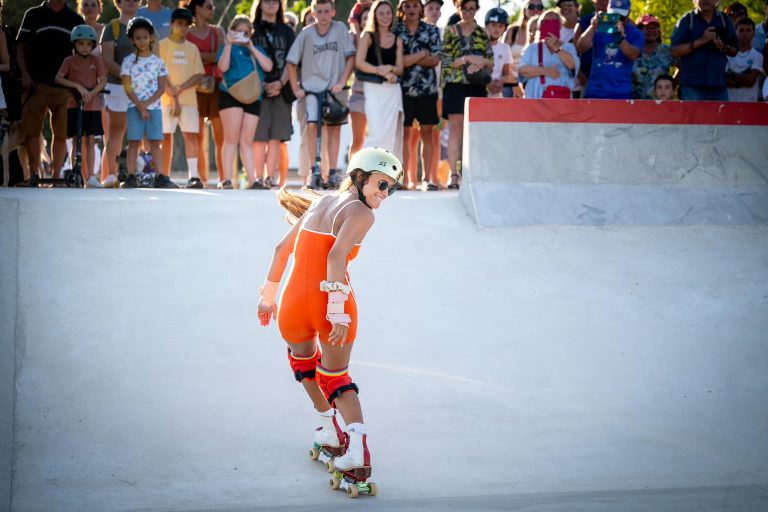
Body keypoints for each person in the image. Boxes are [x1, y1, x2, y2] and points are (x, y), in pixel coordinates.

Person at [256, 146, 403, 479]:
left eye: (390, 188)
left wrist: (267, 298)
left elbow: (281, 250)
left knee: (305, 366)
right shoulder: (362, 214)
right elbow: (336, 257)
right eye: (381, 184)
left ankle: (329, 429)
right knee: (337, 379)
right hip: (329, 305)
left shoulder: (320, 202)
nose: (385, 194)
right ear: (360, 176)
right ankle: (357, 454)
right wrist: (337, 313)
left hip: (292, 305)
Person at [287, 0, 355, 188]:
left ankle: (332, 172)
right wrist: (296, 88)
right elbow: (291, 62)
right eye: (319, 11)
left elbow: (351, 57)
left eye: (327, 11)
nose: (323, 15)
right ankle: (314, 171)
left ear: (333, 12)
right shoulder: (306, 33)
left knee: (334, 128)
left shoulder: (340, 29)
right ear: (313, 12)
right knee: (312, 127)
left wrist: (342, 81)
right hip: (312, 90)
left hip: (335, 89)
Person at [16, 0, 85, 181]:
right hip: (36, 84)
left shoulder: (75, 19)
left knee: (61, 133)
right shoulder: (33, 15)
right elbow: (20, 47)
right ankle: (34, 174)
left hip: (64, 87)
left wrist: (75, 85)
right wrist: (24, 74)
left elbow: (81, 54)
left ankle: (56, 177)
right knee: (32, 130)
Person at [440, 0, 493, 189]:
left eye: (472, 9)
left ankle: (470, 174)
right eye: (465, 8)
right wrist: (466, 58)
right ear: (458, 8)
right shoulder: (450, 31)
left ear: (477, 10)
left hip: (476, 86)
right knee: (455, 129)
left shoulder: (482, 33)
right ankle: (453, 175)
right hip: (455, 85)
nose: (468, 12)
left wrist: (480, 62)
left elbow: (490, 62)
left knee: (472, 131)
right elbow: (446, 62)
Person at [216, 15, 273, 189]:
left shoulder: (255, 49)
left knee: (247, 140)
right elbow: (222, 67)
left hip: (253, 97)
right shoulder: (228, 48)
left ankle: (253, 180)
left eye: (246, 33)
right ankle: (226, 179)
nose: (242, 35)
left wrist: (251, 47)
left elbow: (268, 67)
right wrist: (228, 43)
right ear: (231, 31)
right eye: (238, 32)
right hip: (230, 94)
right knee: (231, 138)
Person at [120, 17, 174, 188]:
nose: (142, 41)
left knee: (154, 142)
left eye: (145, 37)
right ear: (132, 40)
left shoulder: (158, 62)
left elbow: (161, 88)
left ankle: (160, 176)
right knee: (134, 141)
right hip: (134, 107)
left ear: (151, 37)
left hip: (154, 109)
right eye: (138, 38)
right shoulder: (128, 61)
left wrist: (148, 105)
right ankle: (130, 176)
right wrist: (140, 106)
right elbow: (128, 88)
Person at [394, 0, 441, 190]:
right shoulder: (396, 30)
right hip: (403, 89)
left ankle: (428, 179)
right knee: (404, 134)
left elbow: (436, 59)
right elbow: (399, 62)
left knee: (427, 133)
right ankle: (404, 180)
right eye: (407, 5)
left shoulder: (431, 30)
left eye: (415, 5)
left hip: (427, 89)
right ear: (402, 8)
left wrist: (409, 59)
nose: (411, 9)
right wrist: (422, 55)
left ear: (420, 8)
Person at [54, 25, 106, 188]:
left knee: (90, 141)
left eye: (88, 44)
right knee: (77, 141)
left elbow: (103, 80)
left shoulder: (96, 60)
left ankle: (90, 176)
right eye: (81, 44)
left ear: (92, 45)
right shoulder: (69, 61)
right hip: (74, 104)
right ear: (75, 45)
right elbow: (59, 78)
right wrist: (77, 86)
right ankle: (77, 174)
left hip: (92, 105)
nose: (85, 47)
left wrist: (92, 93)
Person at [251, 0, 296, 189]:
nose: (271, 4)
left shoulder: (286, 31)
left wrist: (280, 82)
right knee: (258, 136)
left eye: (275, 1)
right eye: (266, 1)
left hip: (281, 88)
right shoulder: (252, 29)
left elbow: (291, 60)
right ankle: (258, 178)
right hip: (256, 89)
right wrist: (262, 83)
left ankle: (271, 177)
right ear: (259, 4)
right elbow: (246, 57)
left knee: (276, 136)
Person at [159, 7, 204, 188]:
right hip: (165, 98)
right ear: (172, 24)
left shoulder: (192, 48)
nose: (183, 28)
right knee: (165, 136)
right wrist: (172, 92)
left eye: (186, 25)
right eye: (179, 23)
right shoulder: (161, 45)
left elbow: (198, 75)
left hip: (189, 100)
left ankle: (194, 176)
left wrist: (179, 88)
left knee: (190, 136)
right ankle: (163, 175)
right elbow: (160, 71)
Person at [355, 0, 404, 162]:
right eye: (381, 13)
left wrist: (389, 68)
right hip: (373, 89)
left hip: (392, 91)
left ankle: (382, 172)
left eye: (388, 13)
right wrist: (379, 71)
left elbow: (400, 68)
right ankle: (361, 170)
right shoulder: (367, 36)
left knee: (390, 134)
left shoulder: (397, 39)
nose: (385, 17)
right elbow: (359, 63)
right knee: (376, 133)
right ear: (375, 15)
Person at [186, 0, 225, 188]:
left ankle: (223, 178)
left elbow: (220, 55)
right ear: (198, 9)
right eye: (208, 6)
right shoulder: (186, 32)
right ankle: (201, 179)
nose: (212, 10)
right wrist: (208, 56)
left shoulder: (218, 31)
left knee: (221, 136)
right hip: (194, 87)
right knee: (198, 135)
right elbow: (187, 57)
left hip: (216, 84)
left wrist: (198, 56)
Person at [101, 0, 140, 187]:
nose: (132, 2)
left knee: (137, 132)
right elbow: (107, 60)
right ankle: (112, 174)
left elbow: (154, 55)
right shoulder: (112, 27)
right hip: (117, 86)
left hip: (142, 88)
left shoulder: (144, 26)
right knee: (116, 130)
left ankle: (134, 174)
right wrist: (127, 77)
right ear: (119, 3)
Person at [670, 0, 737, 101]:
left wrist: (723, 47)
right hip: (692, 87)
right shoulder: (687, 20)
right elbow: (674, 52)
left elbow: (735, 51)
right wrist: (701, 41)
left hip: (719, 86)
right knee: (693, 117)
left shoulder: (724, 20)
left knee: (719, 117)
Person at [576, 0, 644, 99]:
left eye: (621, 16)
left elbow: (633, 55)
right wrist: (592, 27)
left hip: (621, 93)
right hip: (594, 92)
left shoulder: (635, 33)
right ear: (607, 11)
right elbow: (581, 47)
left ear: (628, 13)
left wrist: (619, 37)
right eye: (614, 16)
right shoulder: (600, 28)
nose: (618, 20)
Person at [519, 9, 578, 98]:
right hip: (535, 98)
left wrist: (557, 48)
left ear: (560, 26)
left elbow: (573, 66)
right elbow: (522, 70)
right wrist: (545, 71)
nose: (549, 25)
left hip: (561, 99)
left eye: (553, 22)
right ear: (540, 26)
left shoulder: (568, 47)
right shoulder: (532, 48)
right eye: (545, 22)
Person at [503, 0, 545, 98]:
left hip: (536, 83)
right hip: (510, 83)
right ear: (524, 10)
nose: (535, 10)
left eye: (539, 7)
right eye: (531, 6)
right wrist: (514, 84)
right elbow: (502, 59)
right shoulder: (513, 31)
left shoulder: (548, 34)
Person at [632, 14, 674, 99]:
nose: (651, 31)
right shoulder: (632, 50)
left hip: (660, 103)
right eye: (647, 28)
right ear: (639, 30)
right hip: (634, 102)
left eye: (654, 28)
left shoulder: (666, 50)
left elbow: (682, 67)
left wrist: (671, 85)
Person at [348, 6, 371, 161]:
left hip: (381, 95)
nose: (368, 21)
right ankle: (352, 176)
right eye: (364, 18)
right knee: (358, 140)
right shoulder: (353, 39)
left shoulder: (384, 39)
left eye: (370, 17)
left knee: (376, 139)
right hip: (359, 93)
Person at [726, 17, 764, 101]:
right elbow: (724, 80)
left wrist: (731, 74)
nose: (745, 33)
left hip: (750, 103)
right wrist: (744, 78)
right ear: (735, 32)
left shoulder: (758, 56)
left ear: (754, 33)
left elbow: (750, 80)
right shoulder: (727, 55)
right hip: (729, 102)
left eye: (748, 30)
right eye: (741, 30)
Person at [485, 7, 512, 99]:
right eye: (493, 25)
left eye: (501, 26)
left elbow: (507, 74)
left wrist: (500, 82)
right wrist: (487, 83)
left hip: (496, 93)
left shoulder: (505, 48)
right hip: (478, 91)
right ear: (486, 25)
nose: (497, 29)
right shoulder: (478, 46)